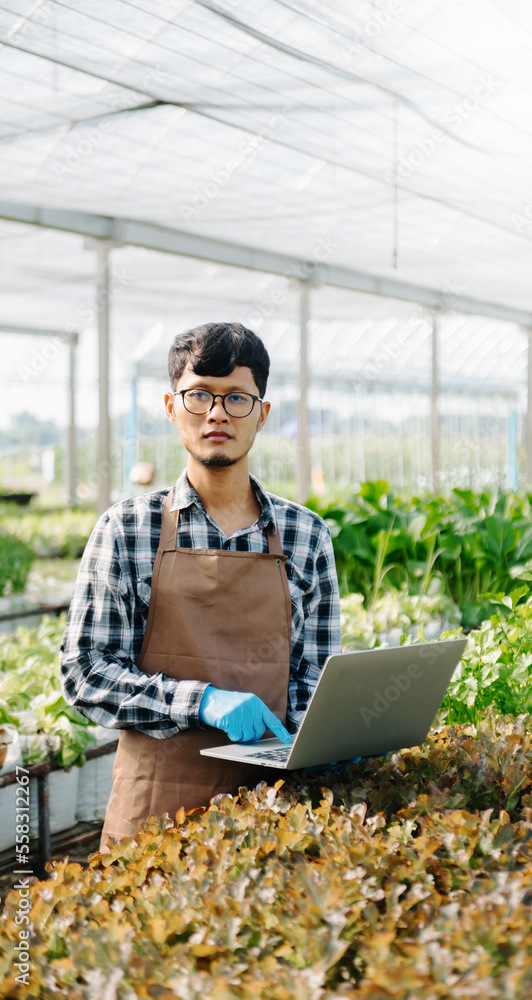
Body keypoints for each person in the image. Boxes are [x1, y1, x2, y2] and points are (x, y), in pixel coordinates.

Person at [60, 321, 341, 850]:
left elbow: (314, 675)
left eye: (237, 397)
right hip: (153, 819)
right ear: (171, 408)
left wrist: (329, 733)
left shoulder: (306, 536)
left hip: (275, 816)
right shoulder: (127, 530)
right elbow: (85, 673)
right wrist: (200, 701)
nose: (216, 413)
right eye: (199, 396)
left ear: (263, 413)